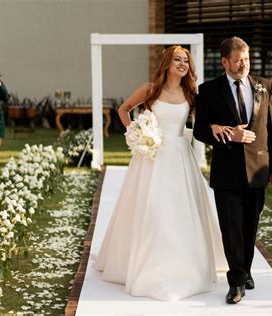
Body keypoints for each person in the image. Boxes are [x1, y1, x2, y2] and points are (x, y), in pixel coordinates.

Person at [94, 45, 227, 301]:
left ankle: (185, 266)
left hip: (180, 156)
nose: (182, 64)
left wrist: (217, 125)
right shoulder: (150, 90)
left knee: (181, 210)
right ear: (167, 63)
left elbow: (202, 122)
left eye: (186, 60)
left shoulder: (191, 94)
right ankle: (147, 264)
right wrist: (136, 132)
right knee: (152, 208)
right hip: (152, 157)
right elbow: (124, 109)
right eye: (177, 59)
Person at [194, 36, 272, 304]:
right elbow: (200, 130)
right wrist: (226, 134)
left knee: (249, 226)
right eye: (238, 60)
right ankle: (236, 282)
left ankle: (245, 270)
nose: (243, 64)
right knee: (231, 227)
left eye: (246, 59)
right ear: (224, 61)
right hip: (226, 171)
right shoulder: (208, 90)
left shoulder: (265, 86)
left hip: (258, 169)